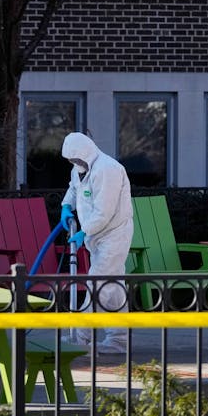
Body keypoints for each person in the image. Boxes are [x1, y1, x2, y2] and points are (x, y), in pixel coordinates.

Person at [59, 131, 133, 354]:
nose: (74, 164)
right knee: (113, 286)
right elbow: (74, 189)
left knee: (97, 282)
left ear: (86, 152)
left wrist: (83, 232)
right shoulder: (80, 169)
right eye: (71, 161)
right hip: (97, 235)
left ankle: (80, 336)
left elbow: (104, 211)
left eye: (76, 159)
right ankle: (119, 339)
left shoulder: (107, 169)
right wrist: (65, 206)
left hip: (113, 234)